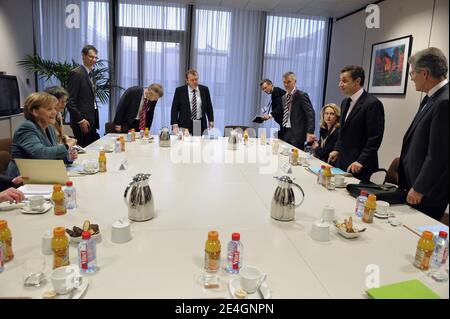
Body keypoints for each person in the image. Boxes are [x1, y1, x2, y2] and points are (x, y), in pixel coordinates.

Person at [399, 47, 449, 221]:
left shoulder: (444, 102)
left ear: (425, 73)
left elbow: (438, 154)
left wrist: (420, 187)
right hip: (417, 185)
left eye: (413, 73)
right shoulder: (432, 97)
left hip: (428, 192)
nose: (411, 78)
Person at [328, 66, 385, 182]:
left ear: (357, 81)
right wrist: (336, 149)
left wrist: (360, 161)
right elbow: (343, 132)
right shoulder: (345, 102)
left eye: (344, 81)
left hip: (359, 165)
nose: (340, 84)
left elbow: (375, 138)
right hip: (343, 160)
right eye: (340, 80)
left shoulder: (372, 103)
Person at [4, 92, 78, 177]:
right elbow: (41, 154)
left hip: (41, 174)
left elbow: (52, 154)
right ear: (34, 111)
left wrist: (68, 157)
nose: (55, 112)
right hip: (22, 179)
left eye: (55, 108)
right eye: (49, 109)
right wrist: (67, 146)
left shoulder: (49, 127)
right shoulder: (26, 128)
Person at [263, 72, 315, 149]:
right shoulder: (284, 97)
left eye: (289, 82)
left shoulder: (301, 95)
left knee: (295, 158)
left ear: (295, 81)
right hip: (285, 132)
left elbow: (310, 113)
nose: (286, 84)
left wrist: (310, 131)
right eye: (284, 82)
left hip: (297, 134)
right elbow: (284, 114)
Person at [66, 44, 100, 147]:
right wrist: (80, 120)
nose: (94, 60)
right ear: (83, 56)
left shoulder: (91, 74)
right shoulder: (76, 73)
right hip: (81, 121)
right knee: (83, 150)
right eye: (91, 56)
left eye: (95, 57)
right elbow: (70, 101)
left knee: (91, 148)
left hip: (91, 118)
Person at [171, 69, 214, 136]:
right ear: (187, 81)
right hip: (184, 123)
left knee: (198, 144)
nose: (195, 82)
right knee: (184, 144)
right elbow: (174, 108)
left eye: (196, 79)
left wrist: (211, 120)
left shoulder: (204, 89)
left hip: (199, 122)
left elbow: (209, 106)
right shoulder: (180, 91)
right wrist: (174, 123)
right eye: (192, 80)